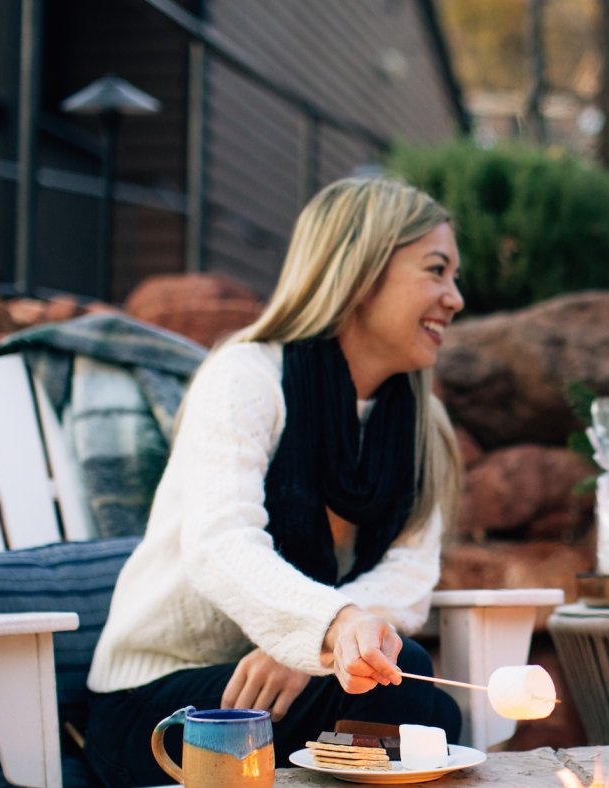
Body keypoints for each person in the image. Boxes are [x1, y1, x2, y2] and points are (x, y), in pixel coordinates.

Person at [84, 177, 467, 787]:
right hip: (161, 700)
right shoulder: (246, 377)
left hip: (291, 689)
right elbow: (221, 545)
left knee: (424, 709)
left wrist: (318, 653)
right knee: (416, 705)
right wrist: (326, 633)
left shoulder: (421, 424)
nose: (455, 298)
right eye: (436, 270)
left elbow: (411, 576)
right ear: (360, 273)